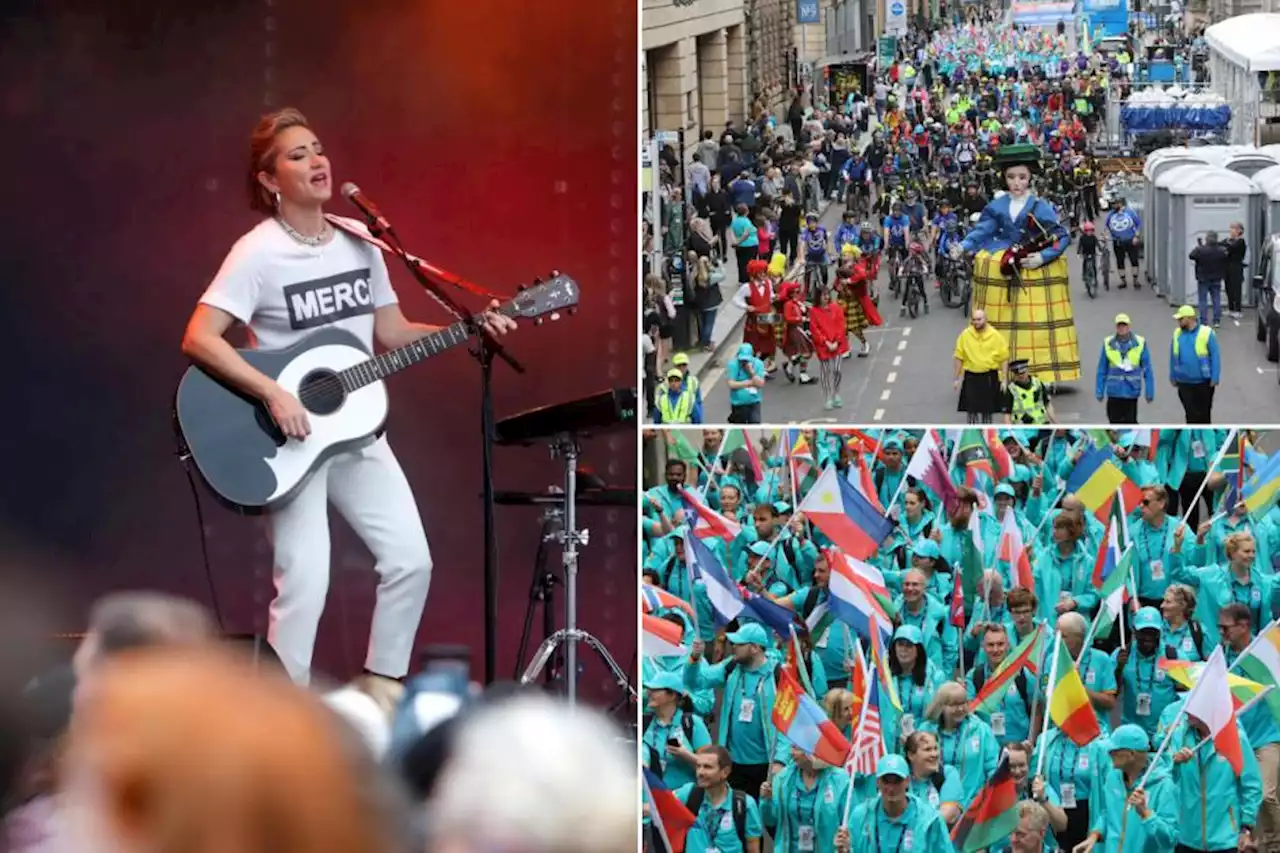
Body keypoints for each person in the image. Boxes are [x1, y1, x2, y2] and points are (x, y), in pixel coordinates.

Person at [181, 108, 515, 687]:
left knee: (412, 561)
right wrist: (272, 393)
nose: (317, 161)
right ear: (268, 180)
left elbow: (391, 332)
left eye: (318, 148)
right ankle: (285, 719)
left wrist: (469, 328)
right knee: (306, 580)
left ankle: (383, 690)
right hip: (286, 440)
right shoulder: (257, 253)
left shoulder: (362, 241)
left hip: (358, 432)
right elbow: (198, 337)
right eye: (298, 155)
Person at [952, 142, 1079, 384]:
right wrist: (965, 245)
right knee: (999, 313)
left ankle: (1041, 371)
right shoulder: (996, 206)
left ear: (1030, 178)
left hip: (1032, 268)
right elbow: (984, 230)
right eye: (1011, 177)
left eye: (1022, 177)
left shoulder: (1040, 207)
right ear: (1004, 179)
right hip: (1004, 261)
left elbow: (1061, 235)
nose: (1017, 183)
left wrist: (1044, 257)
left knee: (1035, 324)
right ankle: (995, 367)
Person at [1074, 724, 1178, 853]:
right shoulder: (1113, 776)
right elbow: (1108, 812)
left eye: (1114, 751)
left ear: (1131, 754)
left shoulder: (1164, 785)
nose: (1109, 753)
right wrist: (1095, 835)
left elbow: (1170, 839)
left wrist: (1146, 814)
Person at [838, 755, 954, 853]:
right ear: (878, 782)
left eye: (897, 781)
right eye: (886, 781)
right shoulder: (861, 816)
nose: (891, 788)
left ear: (907, 781)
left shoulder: (929, 820)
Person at [1094, 313, 1154, 425]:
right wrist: (1099, 390)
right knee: (1113, 422)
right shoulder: (1108, 343)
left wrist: (1149, 392)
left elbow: (1147, 369)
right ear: (1116, 327)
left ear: (1129, 326)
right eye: (1119, 325)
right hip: (1114, 392)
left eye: (1124, 325)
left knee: (1131, 422)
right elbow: (1102, 369)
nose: (1122, 328)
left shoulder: (1140, 343)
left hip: (1131, 391)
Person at [953, 309, 1010, 424]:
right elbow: (959, 357)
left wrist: (1004, 379)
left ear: (985, 320)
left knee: (987, 411)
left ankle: (986, 428)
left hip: (988, 377)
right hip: (971, 376)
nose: (976, 322)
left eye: (979, 319)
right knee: (971, 411)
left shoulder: (995, 336)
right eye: (974, 320)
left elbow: (1004, 358)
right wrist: (956, 378)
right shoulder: (965, 335)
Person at [1169, 305, 1220, 424]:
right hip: (1184, 382)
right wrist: (1172, 376)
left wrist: (1215, 377)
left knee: (1204, 415)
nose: (1178, 321)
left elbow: (1215, 356)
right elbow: (1173, 356)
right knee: (1190, 415)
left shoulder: (1207, 333)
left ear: (1189, 318)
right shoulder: (1177, 334)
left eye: (1181, 319)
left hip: (1203, 382)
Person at [809, 285, 849, 411]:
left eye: (827, 294)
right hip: (823, 346)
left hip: (837, 343)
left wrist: (836, 341)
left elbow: (841, 325)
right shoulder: (814, 311)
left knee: (837, 370)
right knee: (825, 372)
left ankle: (836, 393)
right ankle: (827, 397)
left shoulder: (836, 308)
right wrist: (825, 342)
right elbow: (814, 329)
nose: (826, 297)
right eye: (823, 295)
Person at [1189, 231, 1228, 328]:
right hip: (1216, 278)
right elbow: (1226, 257)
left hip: (1203, 278)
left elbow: (1191, 255)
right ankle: (1216, 320)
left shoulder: (1200, 250)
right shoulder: (1221, 250)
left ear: (1206, 239)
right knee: (1216, 299)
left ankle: (1203, 320)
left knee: (1203, 300)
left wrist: (1200, 246)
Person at [1104, 198, 1141, 290]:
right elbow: (1106, 226)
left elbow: (1138, 224)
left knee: (1134, 260)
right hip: (1117, 241)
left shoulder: (1130, 212)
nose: (1113, 206)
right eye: (1112, 204)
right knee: (1120, 261)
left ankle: (1135, 280)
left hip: (1130, 240)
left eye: (1115, 204)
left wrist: (1136, 236)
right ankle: (1123, 281)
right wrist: (1105, 235)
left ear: (1120, 203)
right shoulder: (1110, 215)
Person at [1003, 359, 1054, 425]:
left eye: (1023, 373)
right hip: (1022, 430)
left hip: (1041, 426)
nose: (1021, 376)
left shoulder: (1038, 383)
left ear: (1027, 370)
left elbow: (1047, 404)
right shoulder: (1011, 390)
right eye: (1017, 374)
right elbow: (1007, 415)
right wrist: (1010, 431)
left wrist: (1056, 423)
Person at [724, 343, 766, 424]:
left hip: (754, 401)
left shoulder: (759, 364)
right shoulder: (733, 365)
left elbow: (760, 383)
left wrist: (751, 372)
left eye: (746, 360)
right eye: (742, 360)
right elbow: (731, 384)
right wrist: (749, 382)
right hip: (738, 403)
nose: (744, 362)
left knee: (755, 423)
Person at [1223, 222, 1247, 321]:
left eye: (1233, 228)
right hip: (1227, 267)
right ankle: (1230, 308)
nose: (1231, 230)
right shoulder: (1228, 240)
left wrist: (1226, 245)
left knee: (1236, 289)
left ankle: (1238, 310)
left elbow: (1231, 247)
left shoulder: (1241, 242)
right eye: (1231, 228)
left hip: (1236, 268)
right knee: (1228, 288)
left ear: (1239, 231)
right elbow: (1222, 245)